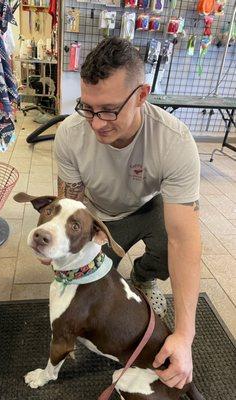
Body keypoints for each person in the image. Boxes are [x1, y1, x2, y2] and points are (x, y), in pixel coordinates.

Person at [54, 37, 201, 390]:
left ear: (141, 95)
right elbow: (68, 207)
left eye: (108, 109)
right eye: (87, 108)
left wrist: (183, 335)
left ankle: (145, 276)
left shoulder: (174, 141)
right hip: (98, 217)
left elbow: (185, 240)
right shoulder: (70, 135)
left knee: (173, 242)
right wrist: (61, 248)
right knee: (87, 287)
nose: (96, 123)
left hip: (147, 207)